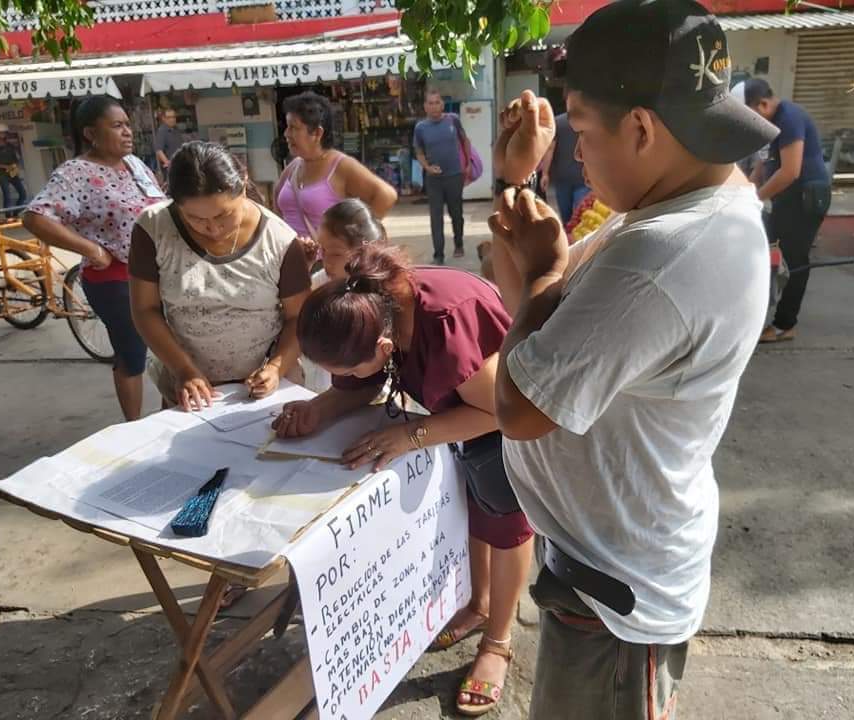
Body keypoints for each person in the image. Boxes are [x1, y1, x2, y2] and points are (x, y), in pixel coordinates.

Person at [487, 2, 778, 718]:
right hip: (600, 562)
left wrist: (550, 269)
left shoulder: (661, 255)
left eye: (582, 130)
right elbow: (526, 296)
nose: (576, 151)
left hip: (615, 600)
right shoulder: (686, 199)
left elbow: (519, 406)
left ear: (643, 127)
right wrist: (517, 183)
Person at [274, 244, 535, 716]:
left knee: (505, 519)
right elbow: (359, 384)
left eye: (348, 368)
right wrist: (316, 409)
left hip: (509, 419)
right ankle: (478, 604)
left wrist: (411, 435)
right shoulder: (361, 312)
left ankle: (497, 642)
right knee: (473, 505)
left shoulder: (445, 322)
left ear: (385, 349)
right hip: (463, 411)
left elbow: (499, 412)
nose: (343, 378)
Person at [128, 141, 311, 410]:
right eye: (195, 219)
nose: (212, 228)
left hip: (266, 386)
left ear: (244, 183)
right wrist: (184, 370)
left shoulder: (280, 240)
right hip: (191, 389)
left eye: (224, 215)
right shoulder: (153, 228)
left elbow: (299, 317)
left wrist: (275, 368)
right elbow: (145, 309)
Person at [23, 96, 165, 421]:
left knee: (172, 348)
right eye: (117, 126)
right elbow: (35, 218)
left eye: (128, 124)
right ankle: (134, 427)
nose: (128, 132)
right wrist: (91, 250)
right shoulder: (75, 173)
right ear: (90, 133)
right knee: (133, 354)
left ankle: (169, 416)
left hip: (156, 273)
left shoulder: (136, 165)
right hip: (116, 281)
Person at [746, 78, 832, 342]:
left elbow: (790, 172)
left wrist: (756, 199)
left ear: (763, 103)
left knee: (795, 260)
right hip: (788, 199)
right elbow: (762, 166)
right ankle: (757, 314)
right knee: (767, 249)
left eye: (753, 114)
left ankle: (785, 324)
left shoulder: (789, 117)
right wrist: (742, 193)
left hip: (805, 198)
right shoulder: (773, 124)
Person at [275, 91, 396, 244]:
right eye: (287, 127)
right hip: (292, 262)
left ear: (318, 132)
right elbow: (277, 205)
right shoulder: (293, 167)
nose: (286, 134)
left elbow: (386, 196)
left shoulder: (341, 166)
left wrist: (356, 240)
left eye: (294, 128)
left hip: (327, 264)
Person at [299, 198, 387, 393]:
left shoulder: (378, 291)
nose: (326, 261)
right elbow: (304, 314)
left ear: (364, 253)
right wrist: (304, 269)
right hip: (321, 387)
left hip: (367, 392)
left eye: (336, 254)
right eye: (322, 250)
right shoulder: (321, 280)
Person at [414, 89, 472, 262]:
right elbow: (419, 152)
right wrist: (427, 167)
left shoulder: (453, 120)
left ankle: (459, 243)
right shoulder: (420, 128)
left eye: (437, 102)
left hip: (454, 175)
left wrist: (468, 164)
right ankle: (438, 254)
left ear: (442, 104)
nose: (434, 106)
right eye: (430, 103)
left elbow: (465, 141)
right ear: (425, 107)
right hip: (434, 179)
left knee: (456, 213)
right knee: (436, 217)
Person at [540, 110, 589, 225]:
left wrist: (545, 173)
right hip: (582, 176)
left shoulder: (557, 122)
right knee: (580, 217)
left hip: (562, 177)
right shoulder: (588, 121)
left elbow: (550, 149)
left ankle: (568, 240)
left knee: (566, 218)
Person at [0, 125, 28, 210]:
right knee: (7, 196)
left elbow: (16, 158)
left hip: (12, 173)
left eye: (4, 133)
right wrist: (5, 166)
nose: (3, 134)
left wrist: (16, 164)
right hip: (2, 175)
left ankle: (16, 213)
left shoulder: (10, 145)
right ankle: (8, 217)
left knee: (23, 194)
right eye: (1, 133)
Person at [154, 108, 184, 178]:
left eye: (173, 117)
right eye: (169, 117)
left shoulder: (176, 130)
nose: (172, 119)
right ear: (164, 119)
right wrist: (168, 163)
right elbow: (159, 151)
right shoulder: (162, 131)